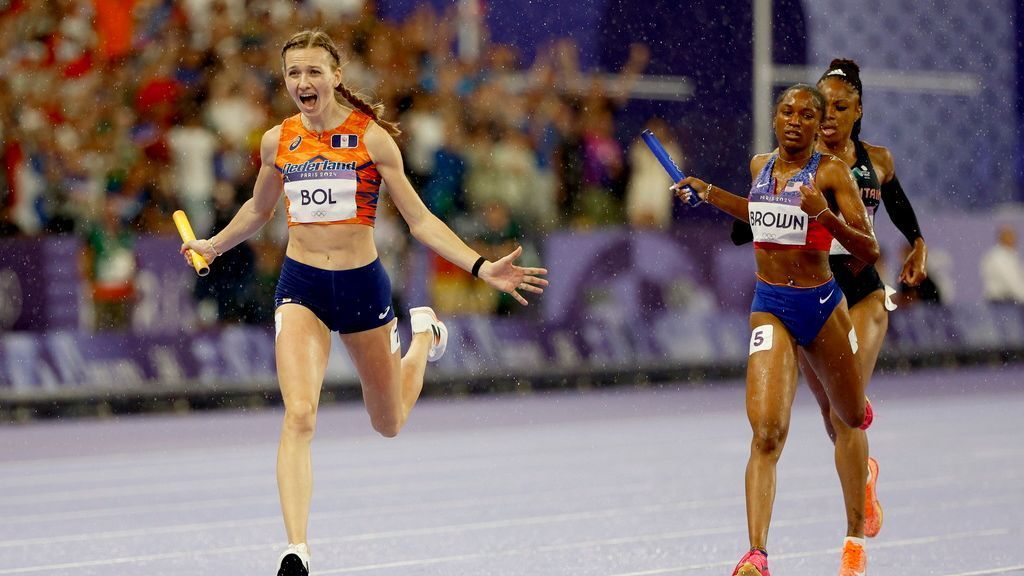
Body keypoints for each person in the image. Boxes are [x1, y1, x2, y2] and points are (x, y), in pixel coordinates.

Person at [178, 29, 548, 576]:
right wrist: (212, 243)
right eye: (293, 74)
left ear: (336, 77)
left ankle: (424, 336)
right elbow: (258, 213)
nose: (303, 82)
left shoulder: (373, 140)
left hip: (361, 289)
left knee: (389, 421)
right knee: (300, 414)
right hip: (301, 287)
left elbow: (419, 219)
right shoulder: (276, 142)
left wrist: (478, 265)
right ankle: (296, 551)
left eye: (313, 72)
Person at [674, 84, 878, 576]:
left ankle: (854, 531)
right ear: (774, 118)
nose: (795, 120)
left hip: (823, 305)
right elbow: (760, 216)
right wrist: (709, 192)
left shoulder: (831, 173)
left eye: (806, 115)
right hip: (771, 305)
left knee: (847, 420)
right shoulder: (758, 167)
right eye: (786, 111)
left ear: (817, 124)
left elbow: (868, 249)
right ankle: (756, 556)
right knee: (767, 433)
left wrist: (824, 215)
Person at [729, 59, 931, 554]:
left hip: (860, 293)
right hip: (810, 293)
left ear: (856, 110)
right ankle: (862, 464)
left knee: (845, 414)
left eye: (841, 108)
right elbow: (750, 223)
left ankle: (854, 534)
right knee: (829, 412)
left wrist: (919, 243)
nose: (828, 119)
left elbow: (899, 212)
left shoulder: (872, 162)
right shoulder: (789, 164)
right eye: (823, 108)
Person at [980, 224, 1024, 304]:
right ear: (1001, 238)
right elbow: (1011, 281)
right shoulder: (999, 257)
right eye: (1009, 237)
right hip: (1001, 302)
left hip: (1009, 301)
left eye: (1013, 237)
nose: (1013, 240)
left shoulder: (1010, 256)